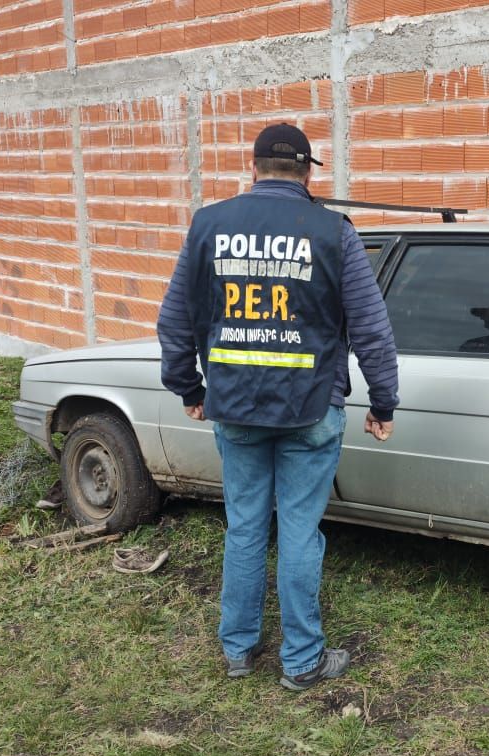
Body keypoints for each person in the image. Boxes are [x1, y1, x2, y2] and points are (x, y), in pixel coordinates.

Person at [156, 123, 399, 691]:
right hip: (312, 410)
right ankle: (300, 661)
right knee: (298, 532)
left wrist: (189, 389)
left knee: (243, 527)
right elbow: (372, 329)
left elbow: (175, 321)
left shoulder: (209, 225)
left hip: (235, 409)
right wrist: (383, 401)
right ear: (309, 171)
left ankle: (238, 651)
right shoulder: (332, 231)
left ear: (254, 167)